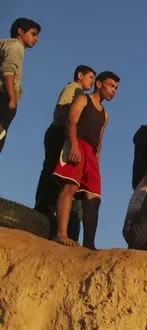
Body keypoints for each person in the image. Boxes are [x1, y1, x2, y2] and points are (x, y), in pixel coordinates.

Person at [52, 71, 119, 248]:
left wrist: (97, 155)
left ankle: (89, 244)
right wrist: (73, 145)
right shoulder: (83, 99)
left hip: (91, 154)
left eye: (116, 88)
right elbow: (71, 122)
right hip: (77, 144)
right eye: (111, 86)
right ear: (99, 84)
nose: (114, 91)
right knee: (70, 187)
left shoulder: (105, 115)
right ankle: (61, 234)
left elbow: (100, 138)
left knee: (94, 198)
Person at [34, 65, 95, 241]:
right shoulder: (73, 89)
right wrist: (72, 128)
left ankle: (49, 209)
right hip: (58, 132)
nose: (91, 81)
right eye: (90, 77)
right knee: (52, 170)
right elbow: (60, 111)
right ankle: (43, 206)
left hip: (63, 134)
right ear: (80, 75)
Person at [0, 17, 40, 154]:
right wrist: (12, 99)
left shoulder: (5, 44)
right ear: (21, 31)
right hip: (4, 96)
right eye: (33, 34)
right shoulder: (16, 46)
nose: (36, 39)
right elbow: (8, 71)